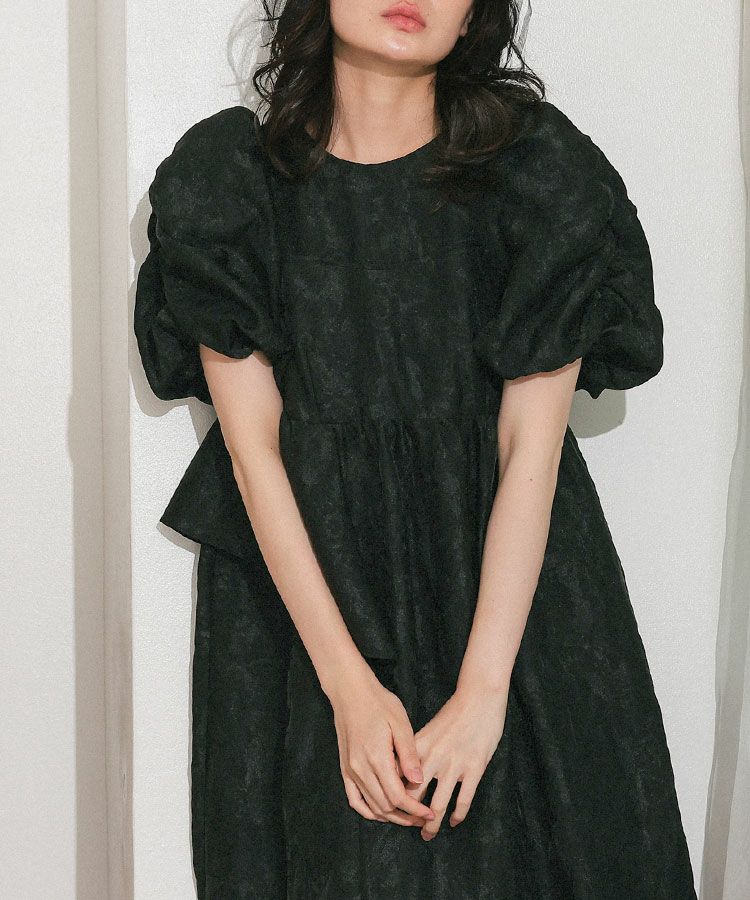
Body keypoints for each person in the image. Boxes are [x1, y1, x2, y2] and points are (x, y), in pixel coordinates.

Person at [133, 1, 697, 897]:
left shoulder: (538, 174)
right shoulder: (230, 186)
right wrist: (349, 690)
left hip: (511, 608)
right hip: (314, 612)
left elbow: (530, 447)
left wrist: (482, 696)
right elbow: (254, 455)